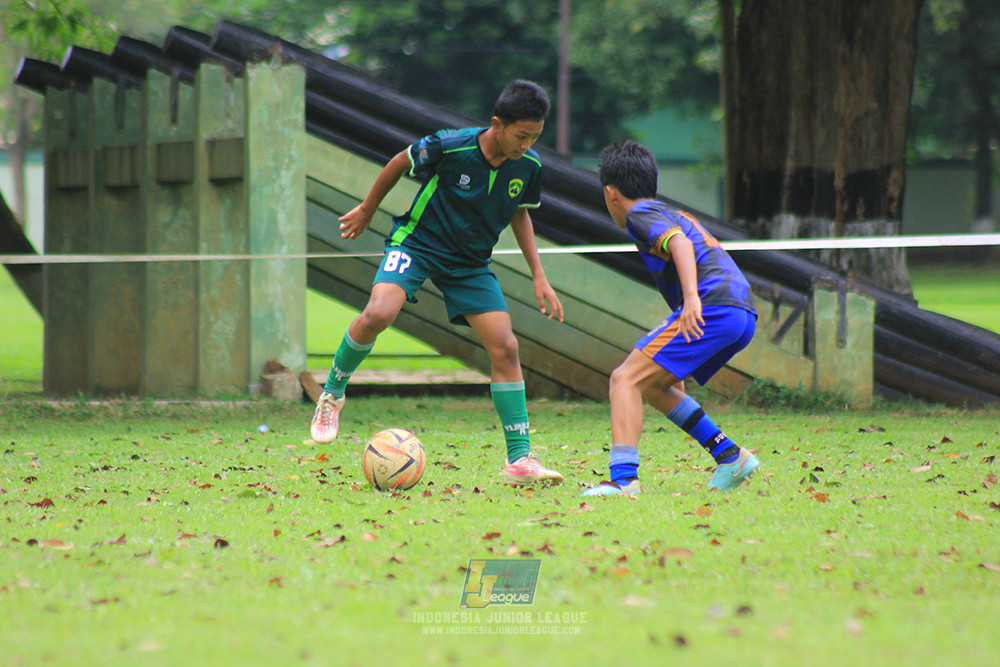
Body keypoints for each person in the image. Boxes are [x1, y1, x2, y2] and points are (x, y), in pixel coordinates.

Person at [310, 80, 565, 486]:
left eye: (535, 136)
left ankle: (519, 460)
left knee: (505, 346)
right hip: (417, 244)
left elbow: (520, 213)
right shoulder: (451, 145)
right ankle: (333, 393)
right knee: (378, 313)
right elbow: (399, 161)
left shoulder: (529, 166)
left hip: (469, 263)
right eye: (521, 136)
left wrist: (539, 276)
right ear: (497, 124)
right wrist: (367, 209)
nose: (527, 144)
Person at [584, 140, 760, 496]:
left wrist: (693, 298)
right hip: (741, 312)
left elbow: (678, 244)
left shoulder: (639, 214)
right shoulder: (667, 210)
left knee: (624, 380)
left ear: (611, 193)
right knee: (654, 385)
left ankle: (622, 481)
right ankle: (730, 456)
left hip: (714, 306)